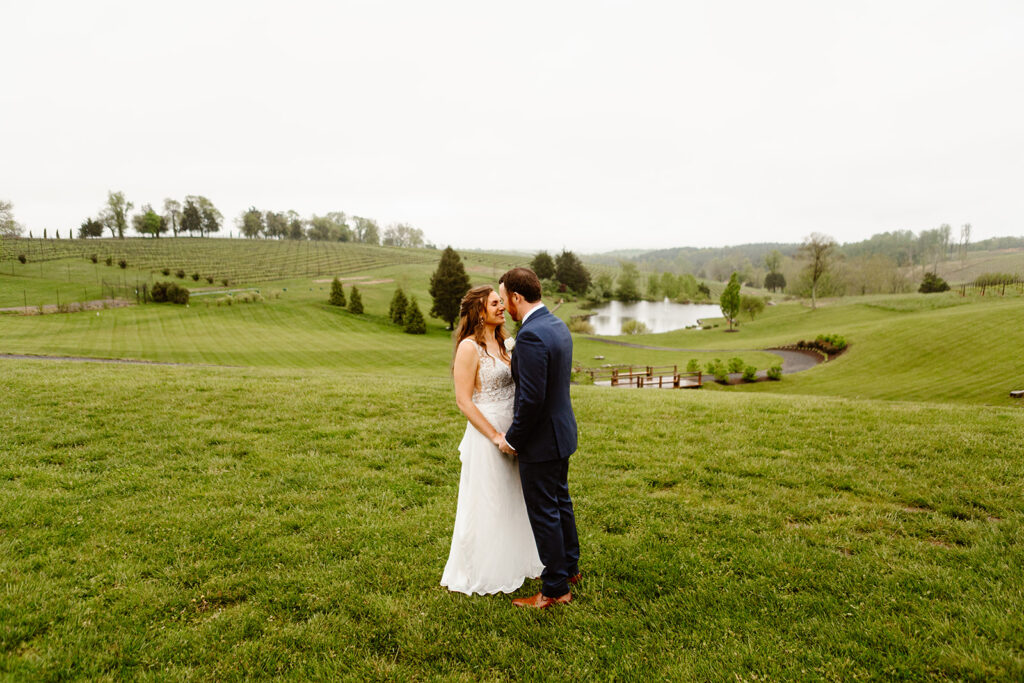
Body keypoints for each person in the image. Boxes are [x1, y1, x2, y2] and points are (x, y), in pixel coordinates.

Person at [440, 285, 544, 595]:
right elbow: (464, 401)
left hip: (514, 431)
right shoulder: (469, 348)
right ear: (479, 312)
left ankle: (518, 560)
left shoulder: (505, 344)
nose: (502, 308)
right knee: (489, 500)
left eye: (501, 303)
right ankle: (486, 568)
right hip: (489, 433)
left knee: (514, 497)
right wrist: (496, 436)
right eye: (495, 304)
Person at [496, 267, 581, 609]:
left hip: (542, 442)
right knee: (560, 502)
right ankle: (569, 568)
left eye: (504, 299)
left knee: (545, 510)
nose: (505, 307)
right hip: (562, 434)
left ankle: (556, 589)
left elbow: (531, 399)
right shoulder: (556, 325)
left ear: (517, 297)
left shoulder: (530, 336)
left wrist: (512, 440)